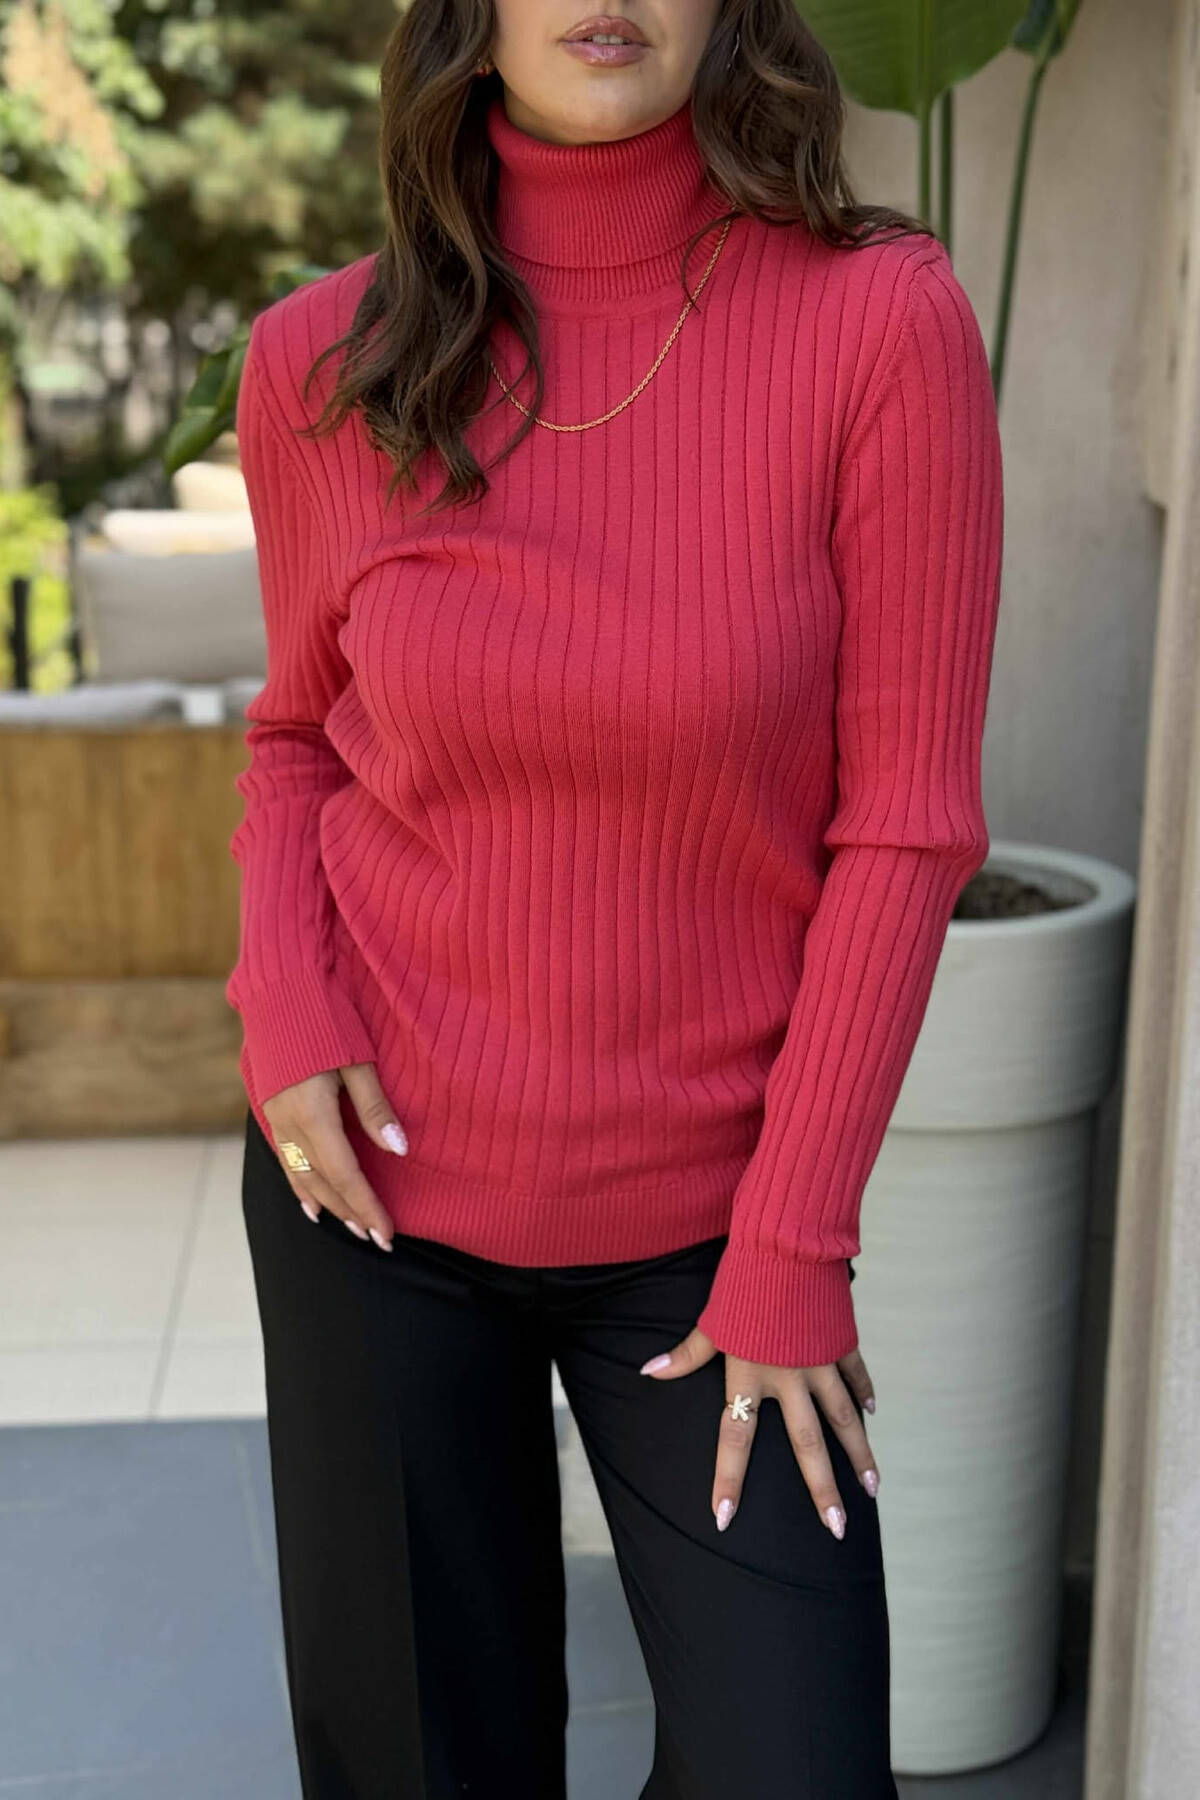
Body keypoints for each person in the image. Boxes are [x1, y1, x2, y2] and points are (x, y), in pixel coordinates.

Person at [226, 0, 1004, 1790]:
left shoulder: (878, 322)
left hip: (716, 1229)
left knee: (793, 1765)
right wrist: (286, 1007)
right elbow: (294, 738)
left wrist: (794, 1243)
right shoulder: (322, 356)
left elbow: (906, 828)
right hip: (374, 1199)